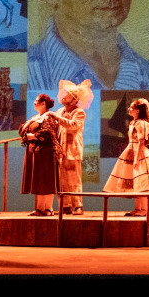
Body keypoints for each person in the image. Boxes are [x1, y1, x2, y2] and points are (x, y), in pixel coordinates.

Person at [103, 98, 149, 217]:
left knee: (142, 181)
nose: (129, 109)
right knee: (135, 181)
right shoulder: (133, 123)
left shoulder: (142, 123)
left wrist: (137, 157)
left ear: (138, 111)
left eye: (132, 107)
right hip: (131, 150)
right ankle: (137, 208)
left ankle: (144, 209)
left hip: (139, 152)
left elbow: (141, 141)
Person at [19, 93, 63, 216]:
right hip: (35, 152)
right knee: (38, 180)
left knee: (47, 180)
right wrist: (27, 136)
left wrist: (34, 136)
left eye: (36, 101)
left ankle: (48, 208)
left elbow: (49, 133)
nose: (34, 103)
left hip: (46, 152)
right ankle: (39, 208)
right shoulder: (35, 118)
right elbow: (22, 130)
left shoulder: (49, 117)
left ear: (43, 103)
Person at [55, 79, 93, 215]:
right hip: (60, 151)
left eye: (68, 94)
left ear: (74, 99)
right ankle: (65, 205)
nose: (64, 95)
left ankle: (77, 205)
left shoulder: (79, 113)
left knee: (74, 179)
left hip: (72, 150)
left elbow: (73, 126)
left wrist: (56, 118)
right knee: (61, 179)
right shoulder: (59, 111)